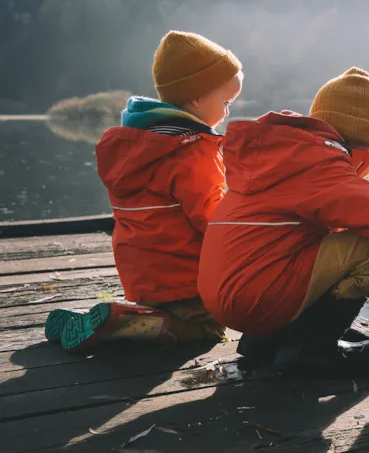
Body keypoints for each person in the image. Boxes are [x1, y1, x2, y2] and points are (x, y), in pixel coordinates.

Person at [198, 67, 369, 372]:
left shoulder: (288, 157)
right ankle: (311, 351)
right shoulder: (319, 164)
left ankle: (265, 343)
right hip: (254, 297)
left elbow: (346, 222)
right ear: (355, 144)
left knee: (332, 242)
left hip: (230, 295)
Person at [45, 31, 243, 353]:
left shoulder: (136, 143)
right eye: (226, 103)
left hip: (144, 278)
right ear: (195, 98)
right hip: (186, 278)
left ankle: (113, 317)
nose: (228, 112)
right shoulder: (193, 151)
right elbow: (212, 218)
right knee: (209, 328)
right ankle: (121, 324)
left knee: (164, 311)